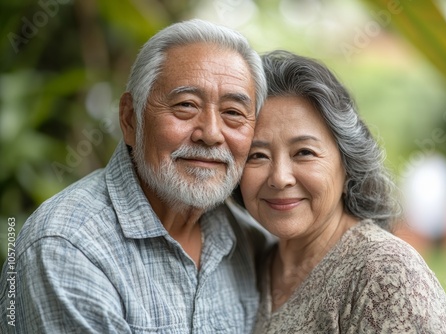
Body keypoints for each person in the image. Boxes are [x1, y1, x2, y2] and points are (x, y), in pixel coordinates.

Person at [0, 19, 268, 333]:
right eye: (185, 105)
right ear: (130, 119)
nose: (210, 134)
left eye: (233, 112)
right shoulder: (66, 247)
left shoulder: (250, 241)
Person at [235, 50, 446, 333]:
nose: (279, 178)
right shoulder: (251, 265)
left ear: (348, 164)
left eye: (304, 152)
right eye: (257, 155)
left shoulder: (385, 275)